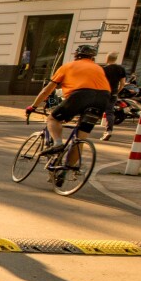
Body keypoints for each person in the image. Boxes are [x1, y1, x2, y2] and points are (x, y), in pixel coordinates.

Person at [28, 44, 112, 182]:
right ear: (92, 58)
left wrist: (33, 106)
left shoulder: (68, 66)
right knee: (80, 139)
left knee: (53, 119)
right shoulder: (98, 68)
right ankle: (64, 172)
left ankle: (58, 143)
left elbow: (47, 90)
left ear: (75, 56)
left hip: (81, 95)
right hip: (103, 99)